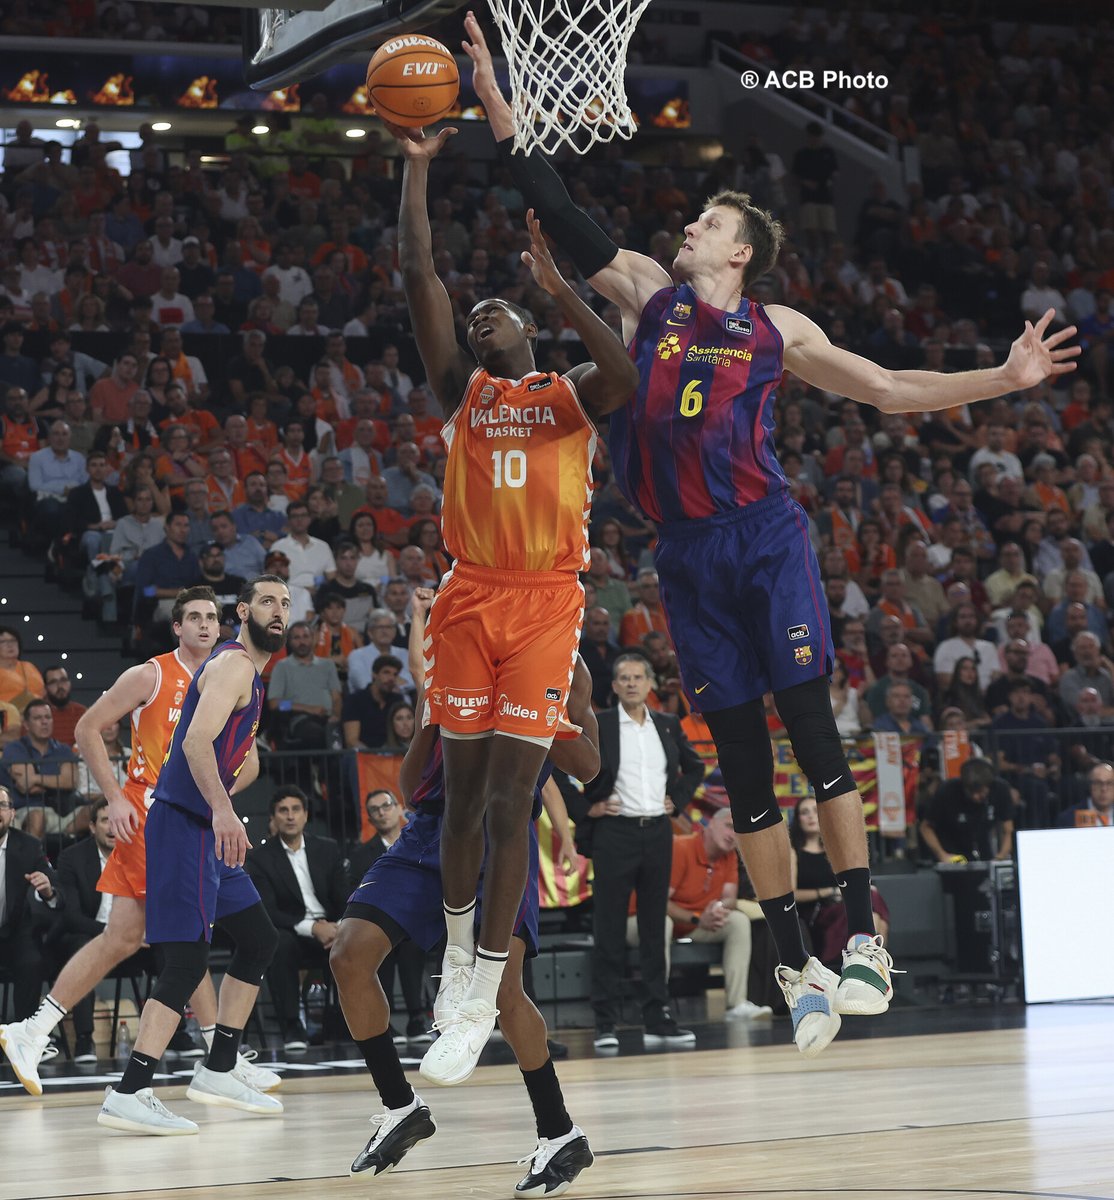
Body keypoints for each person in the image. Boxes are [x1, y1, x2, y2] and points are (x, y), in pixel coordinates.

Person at [464, 13, 1076, 1055]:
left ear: (739, 249)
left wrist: (1001, 377)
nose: (684, 230)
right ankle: (793, 958)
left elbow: (886, 388)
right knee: (744, 765)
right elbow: (557, 206)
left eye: (703, 222)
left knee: (811, 729)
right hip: (687, 555)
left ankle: (862, 933)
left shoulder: (777, 329)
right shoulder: (649, 297)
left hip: (765, 535)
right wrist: (495, 102)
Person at [386, 117, 638, 1087]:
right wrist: (416, 173)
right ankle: (456, 971)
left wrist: (559, 290)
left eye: (497, 308)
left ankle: (483, 986)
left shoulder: (566, 392)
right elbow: (419, 276)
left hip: (542, 604)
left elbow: (621, 371)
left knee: (506, 804)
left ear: (525, 330)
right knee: (457, 804)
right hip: (466, 598)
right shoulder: (463, 394)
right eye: (477, 309)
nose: (481, 314)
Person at [328, 628, 599, 1191]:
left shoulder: (561, 660)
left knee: (502, 990)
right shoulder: (454, 659)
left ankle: (559, 1133)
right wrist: (434, 712)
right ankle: (401, 1107)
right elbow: (408, 781)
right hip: (430, 831)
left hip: (501, 839)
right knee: (349, 954)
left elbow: (589, 765)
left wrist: (526, 710)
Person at [0, 589, 276, 1097]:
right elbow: (86, 728)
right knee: (184, 938)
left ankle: (32, 1030)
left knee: (128, 936)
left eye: (211, 617)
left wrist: (218, 798)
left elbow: (251, 760)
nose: (204, 625)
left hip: (195, 815)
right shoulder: (150, 674)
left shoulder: (228, 672)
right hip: (153, 813)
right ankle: (219, 1059)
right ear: (176, 627)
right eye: (192, 617)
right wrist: (114, 797)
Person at [96, 575, 290, 1135]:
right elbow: (193, 743)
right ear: (243, 611)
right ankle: (128, 1092)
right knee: (185, 961)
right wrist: (225, 810)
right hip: (185, 823)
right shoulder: (232, 665)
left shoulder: (250, 674)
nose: (278, 612)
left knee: (258, 938)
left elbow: (238, 756)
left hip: (206, 827)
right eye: (268, 603)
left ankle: (221, 1065)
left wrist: (226, 799)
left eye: (285, 605)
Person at [572, 652, 703, 1049]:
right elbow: (559, 774)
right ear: (613, 686)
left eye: (638, 677)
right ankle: (606, 1021)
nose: (631, 683)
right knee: (609, 929)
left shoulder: (666, 725)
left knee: (653, 928)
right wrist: (588, 808)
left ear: (650, 685)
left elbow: (695, 767)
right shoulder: (601, 724)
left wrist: (676, 801)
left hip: (658, 832)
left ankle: (657, 1016)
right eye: (623, 678)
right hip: (615, 832)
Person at [244, 786, 350, 1052]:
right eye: (283, 811)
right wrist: (314, 928)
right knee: (280, 943)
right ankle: (292, 1025)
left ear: (305, 815)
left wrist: (337, 928)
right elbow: (268, 910)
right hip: (293, 931)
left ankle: (355, 1023)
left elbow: (345, 897)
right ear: (274, 818)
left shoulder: (327, 849)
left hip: (333, 928)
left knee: (361, 940)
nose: (290, 816)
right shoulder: (260, 858)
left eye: (295, 810)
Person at [648, 807, 773, 1021]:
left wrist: (716, 909)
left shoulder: (729, 856)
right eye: (728, 826)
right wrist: (697, 918)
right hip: (661, 921)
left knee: (738, 921)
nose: (733, 835)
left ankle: (737, 1004)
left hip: (697, 923)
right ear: (709, 825)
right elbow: (657, 901)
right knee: (662, 921)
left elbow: (730, 898)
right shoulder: (681, 848)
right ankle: (659, 1005)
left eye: (738, 830)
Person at [345, 787, 430, 1045]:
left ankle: (418, 1018)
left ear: (398, 808)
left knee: (412, 945)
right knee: (373, 944)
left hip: (420, 920)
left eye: (386, 806)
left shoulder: (420, 843)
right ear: (369, 819)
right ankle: (384, 1024)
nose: (382, 813)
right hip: (382, 921)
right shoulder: (360, 855)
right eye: (375, 810)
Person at [790, 794, 890, 969]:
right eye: (805, 812)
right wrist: (826, 892)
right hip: (815, 912)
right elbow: (791, 894)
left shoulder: (833, 849)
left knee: (872, 903)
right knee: (868, 907)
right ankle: (874, 965)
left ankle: (871, 961)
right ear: (798, 819)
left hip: (840, 905)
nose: (811, 816)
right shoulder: (793, 853)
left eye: (815, 811)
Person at [0, 784, 59, 1028]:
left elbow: (53, 890)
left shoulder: (29, 846)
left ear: (12, 813)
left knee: (32, 961)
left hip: (15, 933)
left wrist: (48, 890)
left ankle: (23, 1036)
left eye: (2, 806)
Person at [919, 758, 1015, 864]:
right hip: (952, 852)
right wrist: (942, 855)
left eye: (980, 792)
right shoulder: (947, 791)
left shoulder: (1001, 789)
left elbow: (1009, 830)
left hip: (983, 848)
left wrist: (1000, 857)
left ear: (989, 786)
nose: (975, 796)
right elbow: (925, 827)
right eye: (971, 791)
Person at [1058, 761, 1114, 828]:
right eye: (1098, 783)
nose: (1104, 789)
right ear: (1089, 785)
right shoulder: (1068, 818)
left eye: (1109, 783)